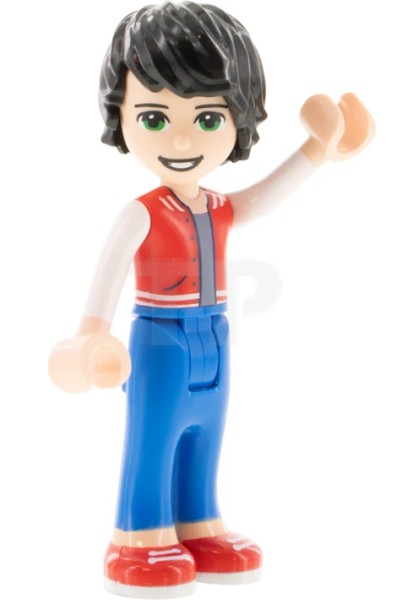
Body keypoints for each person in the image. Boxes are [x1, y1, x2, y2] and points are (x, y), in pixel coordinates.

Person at [49, 2, 375, 598]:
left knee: (205, 433)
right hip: (160, 338)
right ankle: (137, 535)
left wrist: (316, 152)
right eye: (154, 118)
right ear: (119, 117)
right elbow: (109, 271)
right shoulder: (141, 213)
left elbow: (263, 198)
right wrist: (92, 332)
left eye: (207, 118)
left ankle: (198, 522)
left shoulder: (217, 206)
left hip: (215, 335)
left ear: (239, 119)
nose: (181, 138)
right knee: (153, 438)